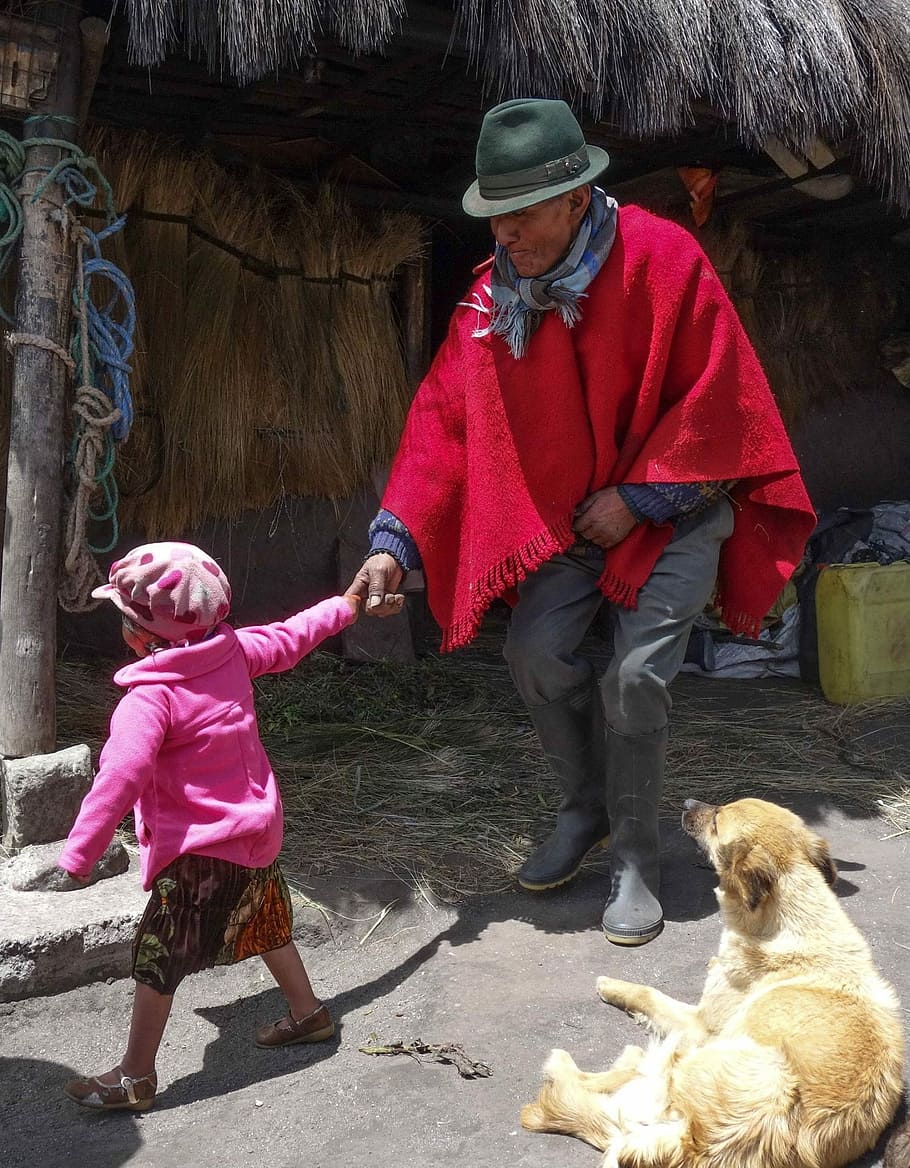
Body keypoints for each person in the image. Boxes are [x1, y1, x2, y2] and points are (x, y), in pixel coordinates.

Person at [348, 98, 816, 947]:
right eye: (493, 218)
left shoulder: (663, 258)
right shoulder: (495, 298)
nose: (504, 236)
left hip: (677, 514)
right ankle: (587, 805)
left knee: (634, 678)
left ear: (574, 199)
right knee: (534, 652)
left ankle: (636, 855)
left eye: (520, 217)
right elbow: (445, 423)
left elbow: (721, 399)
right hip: (571, 525)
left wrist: (643, 497)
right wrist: (393, 540)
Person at [58, 542, 362, 1111]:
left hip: (201, 850)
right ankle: (308, 1013)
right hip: (256, 829)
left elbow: (119, 776)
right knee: (265, 918)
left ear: (140, 635)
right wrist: (346, 605)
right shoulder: (233, 652)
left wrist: (80, 854)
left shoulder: (149, 699)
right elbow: (295, 635)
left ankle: (134, 1076)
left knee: (159, 956)